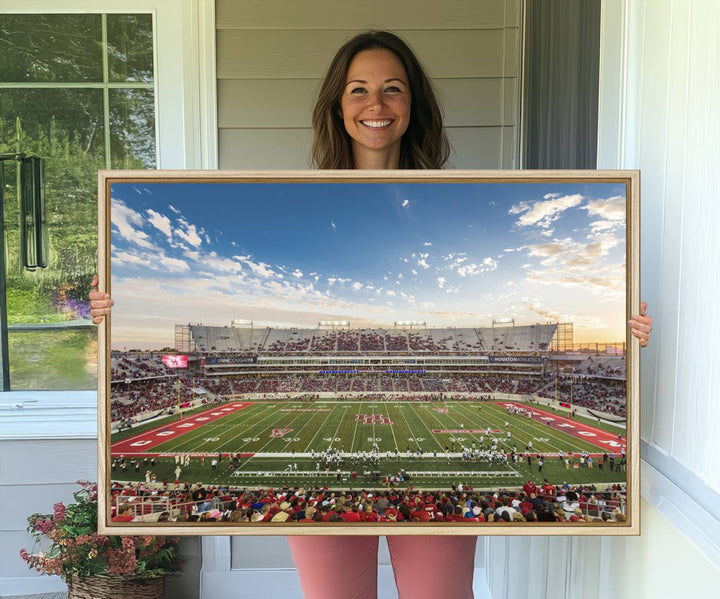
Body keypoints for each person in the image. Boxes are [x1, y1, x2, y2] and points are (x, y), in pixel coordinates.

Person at [90, 29, 653, 599]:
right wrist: (112, 307)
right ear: (338, 104)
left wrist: (625, 325)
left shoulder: (454, 202)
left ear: (413, 105)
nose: (375, 105)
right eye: (358, 89)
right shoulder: (304, 198)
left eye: (393, 89)